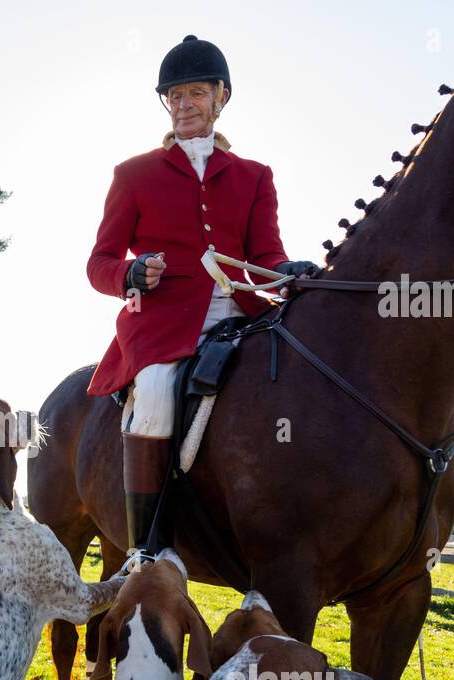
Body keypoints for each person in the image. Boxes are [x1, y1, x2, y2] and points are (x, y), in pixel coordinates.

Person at [86, 35, 317, 570]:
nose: (184, 104)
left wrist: (285, 273)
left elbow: (267, 253)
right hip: (161, 328)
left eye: (195, 93)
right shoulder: (133, 173)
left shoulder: (255, 176)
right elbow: (98, 264)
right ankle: (148, 545)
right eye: (174, 96)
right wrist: (132, 273)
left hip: (242, 318)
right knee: (158, 390)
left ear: (221, 97)